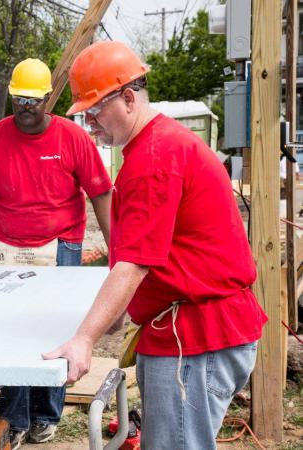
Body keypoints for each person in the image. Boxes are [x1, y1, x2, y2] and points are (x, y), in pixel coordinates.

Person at [43, 41, 267, 450]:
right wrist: (111, 314)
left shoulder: (154, 159)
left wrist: (85, 339)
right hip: (192, 328)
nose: (90, 124)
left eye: (94, 111)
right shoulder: (156, 146)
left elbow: (132, 265)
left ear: (128, 99)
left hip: (198, 334)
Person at [0, 58, 112, 449]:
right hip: (9, 247)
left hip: (60, 245)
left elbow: (101, 193)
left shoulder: (72, 138)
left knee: (54, 330)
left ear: (46, 99)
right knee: (11, 331)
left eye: (32, 100)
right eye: (19, 99)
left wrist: (117, 251)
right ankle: (14, 419)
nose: (25, 107)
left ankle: (45, 416)